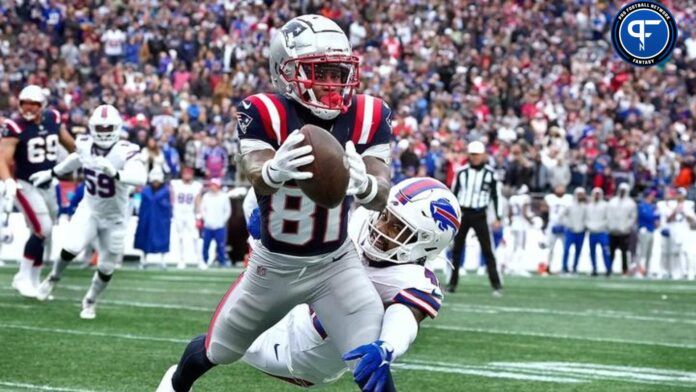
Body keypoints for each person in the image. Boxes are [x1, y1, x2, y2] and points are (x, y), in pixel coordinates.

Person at [157, 15, 393, 392]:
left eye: (337, 73)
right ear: (286, 72)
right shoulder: (264, 110)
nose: (331, 84)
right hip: (275, 265)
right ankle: (173, 383)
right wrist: (273, 171)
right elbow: (254, 169)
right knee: (219, 349)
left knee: (370, 357)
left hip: (336, 263)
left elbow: (382, 190)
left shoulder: (370, 114)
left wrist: (365, 184)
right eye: (319, 72)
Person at [237, 177, 461, 389]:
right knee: (262, 203)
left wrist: (387, 347)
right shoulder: (363, 219)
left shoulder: (414, 279)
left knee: (364, 304)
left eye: (397, 227)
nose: (381, 228)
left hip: (301, 358)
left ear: (426, 245)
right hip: (284, 317)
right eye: (385, 216)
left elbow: (405, 318)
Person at [32, 104, 146, 318]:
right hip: (90, 209)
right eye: (100, 128)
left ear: (117, 127)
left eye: (108, 128)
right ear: (93, 128)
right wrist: (52, 173)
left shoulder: (125, 151)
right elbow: (76, 159)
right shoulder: (84, 144)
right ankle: (53, 278)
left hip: (116, 218)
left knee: (106, 267)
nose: (103, 132)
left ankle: (90, 300)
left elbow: (141, 177)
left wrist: (116, 173)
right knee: (71, 247)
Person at [0, 85, 75, 298]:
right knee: (42, 229)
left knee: (43, 234)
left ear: (42, 105)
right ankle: (24, 277)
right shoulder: (14, 126)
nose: (29, 108)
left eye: (33, 103)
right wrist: (8, 181)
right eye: (25, 103)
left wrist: (85, 158)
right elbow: (2, 157)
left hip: (49, 183)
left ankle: (33, 280)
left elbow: (69, 143)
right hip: (26, 184)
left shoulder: (53, 118)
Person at [448, 140, 502, 295]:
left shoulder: (490, 174)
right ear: (469, 155)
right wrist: (453, 215)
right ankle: (452, 283)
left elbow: (496, 196)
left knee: (487, 250)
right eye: (472, 154)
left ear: (483, 155)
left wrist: (498, 216)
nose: (475, 157)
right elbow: (454, 194)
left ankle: (496, 284)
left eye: (477, 155)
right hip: (463, 214)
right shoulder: (462, 172)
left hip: (480, 214)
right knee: (457, 249)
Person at [134, 167, 172, 269]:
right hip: (147, 219)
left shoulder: (166, 191)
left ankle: (162, 260)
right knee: (144, 239)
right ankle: (144, 259)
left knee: (162, 239)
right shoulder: (145, 191)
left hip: (161, 220)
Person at [659, 188, 696, 280]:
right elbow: (668, 220)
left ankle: (690, 272)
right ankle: (676, 272)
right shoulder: (672, 205)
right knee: (675, 253)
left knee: (688, 253)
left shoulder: (689, 205)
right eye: (677, 194)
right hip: (675, 231)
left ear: (684, 195)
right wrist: (675, 211)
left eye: (680, 194)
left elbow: (693, 221)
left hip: (686, 231)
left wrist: (684, 213)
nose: (678, 196)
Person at [169, 167, 202, 269]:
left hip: (190, 213)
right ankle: (181, 260)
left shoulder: (197, 186)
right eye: (185, 173)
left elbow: (197, 201)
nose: (187, 176)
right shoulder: (175, 184)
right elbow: (171, 198)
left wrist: (198, 216)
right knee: (180, 238)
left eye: (189, 174)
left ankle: (200, 260)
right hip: (178, 213)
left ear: (192, 175)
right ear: (182, 174)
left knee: (195, 237)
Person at [199, 178, 231, 268]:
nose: (212, 187)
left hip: (220, 226)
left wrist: (222, 221)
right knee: (206, 245)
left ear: (218, 186)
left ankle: (222, 261)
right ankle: (204, 261)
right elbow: (202, 209)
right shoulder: (206, 196)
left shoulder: (224, 196)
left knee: (221, 246)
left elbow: (227, 211)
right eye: (211, 185)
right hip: (208, 226)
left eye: (214, 185)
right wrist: (206, 219)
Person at [607, 183, 637, 275]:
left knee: (624, 252)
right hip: (613, 230)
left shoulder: (631, 203)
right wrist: (610, 226)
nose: (622, 192)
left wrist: (626, 227)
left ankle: (624, 269)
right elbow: (608, 215)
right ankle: (608, 269)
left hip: (624, 231)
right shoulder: (612, 201)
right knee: (611, 252)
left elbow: (633, 217)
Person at [542, 185, 572, 274]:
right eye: (558, 187)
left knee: (566, 248)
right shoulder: (550, 198)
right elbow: (543, 208)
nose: (560, 189)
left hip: (565, 225)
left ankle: (566, 267)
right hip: (552, 225)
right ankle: (548, 266)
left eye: (562, 187)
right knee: (550, 247)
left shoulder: (569, 198)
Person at [506, 184, 532, 275]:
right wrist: (531, 221)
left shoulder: (512, 198)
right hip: (522, 224)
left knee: (513, 247)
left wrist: (510, 222)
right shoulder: (525, 198)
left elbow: (509, 213)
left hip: (514, 223)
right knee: (521, 247)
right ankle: (518, 267)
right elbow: (524, 212)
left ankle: (509, 266)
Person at [585, 187, 611, 276]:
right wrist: (590, 226)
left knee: (605, 251)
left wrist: (600, 226)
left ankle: (608, 269)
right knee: (592, 252)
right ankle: (594, 268)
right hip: (592, 232)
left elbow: (608, 218)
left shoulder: (605, 205)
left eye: (598, 194)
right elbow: (586, 218)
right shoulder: (588, 206)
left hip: (602, 231)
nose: (596, 196)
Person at [562, 187, 587, 274]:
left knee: (578, 250)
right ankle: (564, 267)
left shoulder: (585, 206)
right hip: (570, 231)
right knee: (566, 249)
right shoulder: (570, 205)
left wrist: (584, 226)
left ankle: (575, 267)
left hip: (581, 231)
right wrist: (568, 224)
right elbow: (563, 215)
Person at [635, 190, 660, 277]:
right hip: (644, 230)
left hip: (651, 230)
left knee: (649, 252)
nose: (653, 197)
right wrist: (654, 218)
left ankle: (646, 270)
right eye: (651, 195)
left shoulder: (653, 207)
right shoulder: (642, 206)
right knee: (642, 252)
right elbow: (647, 216)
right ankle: (639, 270)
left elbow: (657, 218)